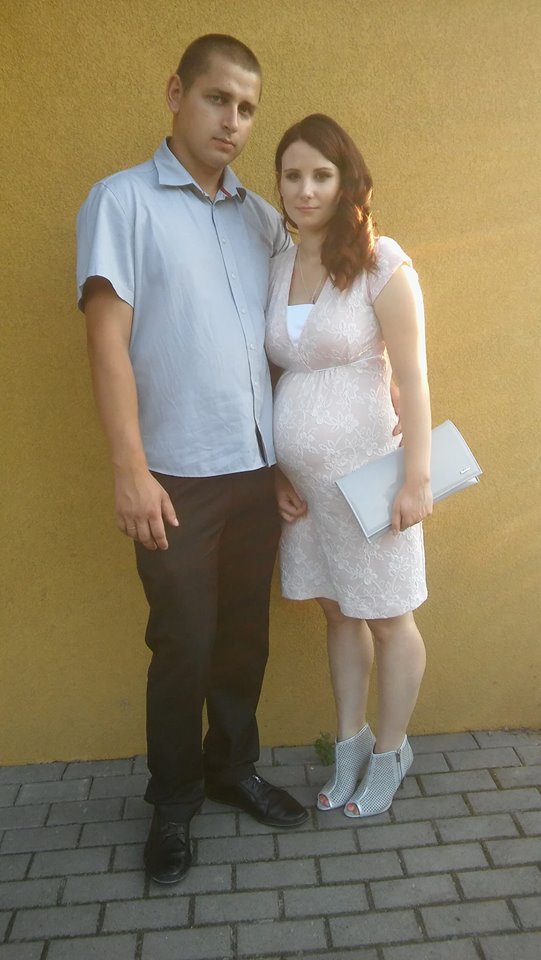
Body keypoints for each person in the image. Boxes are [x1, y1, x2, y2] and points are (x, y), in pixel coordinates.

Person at [76, 34, 308, 885]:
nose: (233, 121)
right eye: (218, 99)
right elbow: (106, 342)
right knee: (183, 644)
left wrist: (284, 460)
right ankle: (172, 803)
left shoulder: (260, 220)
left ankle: (231, 769)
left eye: (246, 108)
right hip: (172, 477)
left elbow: (285, 343)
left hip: (252, 472)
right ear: (176, 93)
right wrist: (129, 470)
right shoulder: (121, 203)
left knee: (244, 636)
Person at [265, 114, 432, 818]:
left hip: (371, 483)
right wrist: (279, 470)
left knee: (388, 617)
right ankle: (349, 742)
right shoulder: (279, 265)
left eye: (321, 175)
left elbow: (413, 378)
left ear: (345, 182)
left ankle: (391, 753)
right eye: (292, 175)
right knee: (337, 614)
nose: (305, 189)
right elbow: (276, 376)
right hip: (306, 493)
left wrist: (416, 478)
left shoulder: (379, 261)